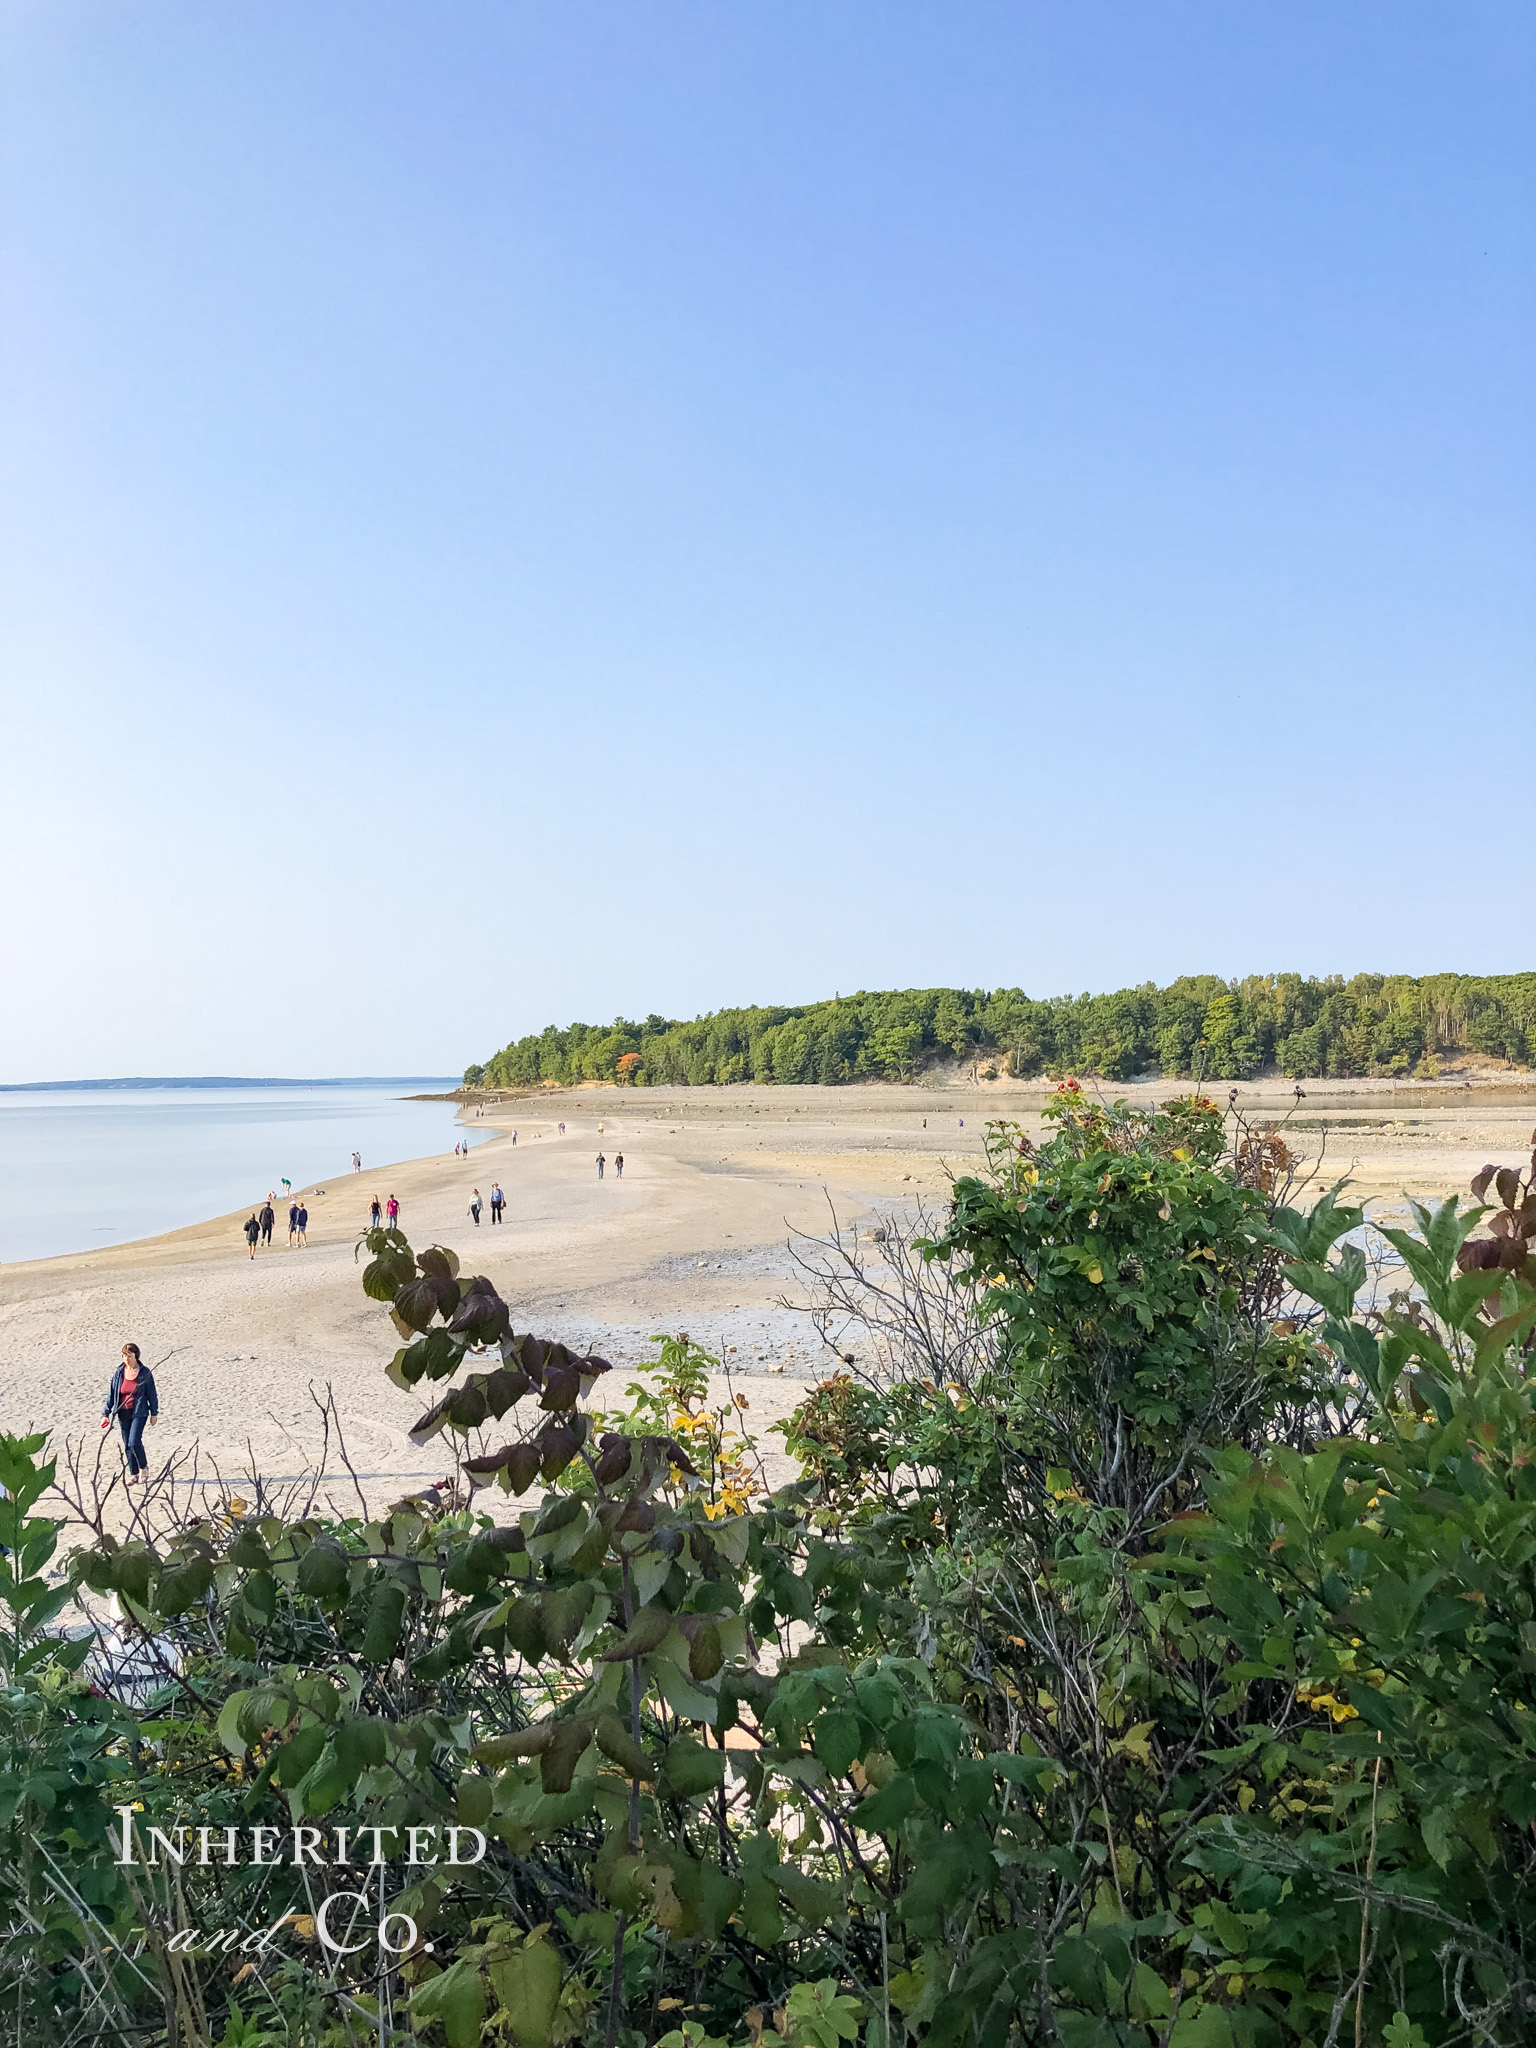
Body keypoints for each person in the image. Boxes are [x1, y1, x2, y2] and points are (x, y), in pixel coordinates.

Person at [100, 1343, 158, 1483]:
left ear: (136, 1356)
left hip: (139, 1411)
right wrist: (105, 1414)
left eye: (129, 1356)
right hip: (123, 1412)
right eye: (124, 1356)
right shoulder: (119, 1372)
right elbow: (112, 1393)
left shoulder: (144, 1373)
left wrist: (154, 1413)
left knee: (134, 1441)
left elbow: (152, 1394)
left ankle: (143, 1468)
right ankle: (134, 1473)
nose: (126, 1359)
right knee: (127, 1444)